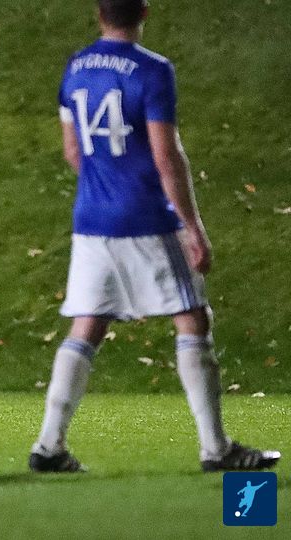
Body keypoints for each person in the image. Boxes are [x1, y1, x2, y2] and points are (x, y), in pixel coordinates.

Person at [29, 0, 280, 472]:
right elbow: (167, 157)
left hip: (91, 219)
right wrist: (193, 227)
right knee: (192, 317)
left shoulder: (76, 67)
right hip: (145, 216)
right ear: (144, 12)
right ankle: (216, 448)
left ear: (99, 13)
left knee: (88, 323)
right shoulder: (152, 70)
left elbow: (72, 151)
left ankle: (48, 445)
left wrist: (105, 185)